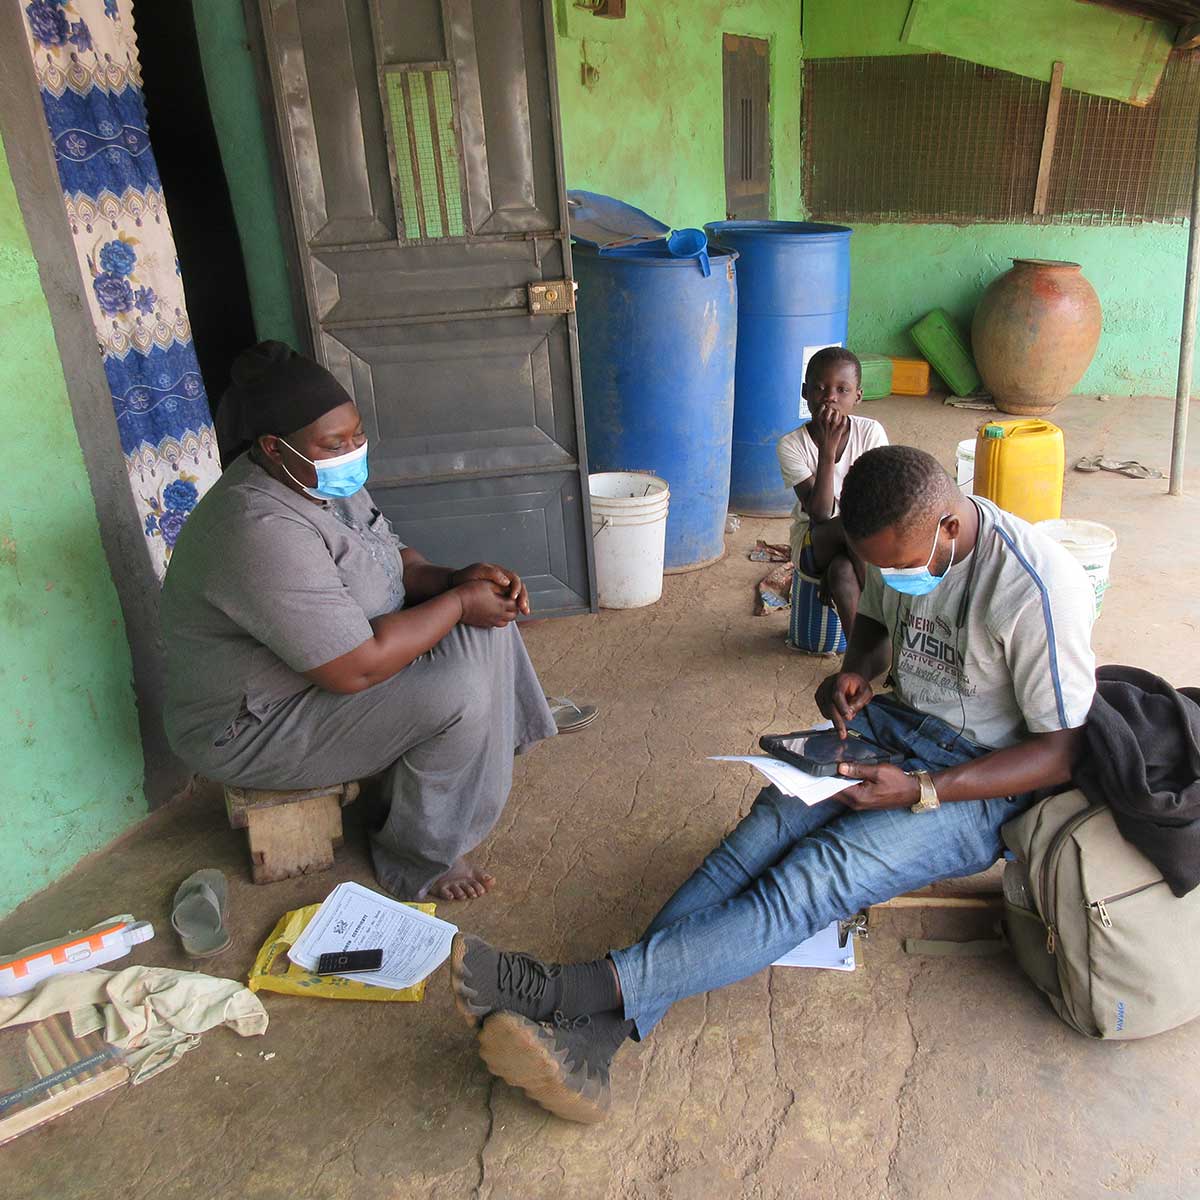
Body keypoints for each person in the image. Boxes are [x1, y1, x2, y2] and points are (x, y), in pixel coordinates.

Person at [449, 445, 1098, 1123]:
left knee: (817, 875)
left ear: (949, 529)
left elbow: (1061, 752)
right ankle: (598, 1042)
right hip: (895, 727)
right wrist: (856, 670)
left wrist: (921, 789)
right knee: (763, 831)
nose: (890, 577)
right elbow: (877, 628)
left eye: (900, 567)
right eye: (876, 565)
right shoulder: (894, 538)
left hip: (981, 780)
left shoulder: (1034, 587)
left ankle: (562, 991)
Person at [161, 341, 558, 902]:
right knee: (456, 686)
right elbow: (354, 669)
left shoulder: (320, 477)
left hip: (319, 679)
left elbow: (395, 561)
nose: (351, 451)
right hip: (253, 725)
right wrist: (460, 603)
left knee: (485, 623)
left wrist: (454, 580)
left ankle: (473, 764)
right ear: (274, 448)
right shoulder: (258, 528)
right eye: (334, 443)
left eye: (357, 435)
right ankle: (419, 855)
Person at [776, 347, 888, 632]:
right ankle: (882, 606)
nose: (830, 397)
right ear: (805, 392)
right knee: (849, 526)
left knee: (841, 572)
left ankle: (857, 661)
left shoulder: (870, 433)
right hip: (814, 543)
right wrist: (826, 451)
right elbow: (821, 515)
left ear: (858, 396)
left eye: (842, 389)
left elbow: (879, 504)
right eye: (820, 388)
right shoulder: (791, 445)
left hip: (862, 547)